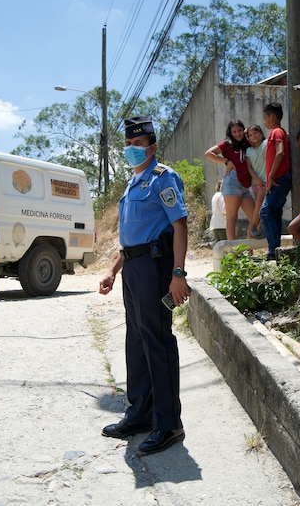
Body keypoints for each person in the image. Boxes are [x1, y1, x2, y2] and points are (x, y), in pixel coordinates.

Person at [99, 115, 189, 456]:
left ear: (152, 146)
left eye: (138, 145)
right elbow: (130, 240)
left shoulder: (163, 179)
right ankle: (140, 413)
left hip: (155, 268)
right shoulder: (133, 183)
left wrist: (178, 274)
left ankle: (168, 424)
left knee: (157, 342)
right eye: (129, 145)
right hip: (133, 269)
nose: (132, 150)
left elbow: (179, 226)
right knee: (136, 341)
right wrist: (111, 271)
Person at [204, 120, 256, 240]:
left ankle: (249, 250)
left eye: (240, 131)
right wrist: (226, 161)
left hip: (245, 185)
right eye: (234, 132)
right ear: (230, 133)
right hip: (232, 182)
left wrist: (247, 132)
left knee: (255, 217)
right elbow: (208, 153)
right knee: (232, 218)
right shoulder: (227, 144)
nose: (237, 134)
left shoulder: (246, 143)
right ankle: (232, 254)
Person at [259, 102, 292, 260]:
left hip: (278, 179)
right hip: (279, 178)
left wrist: (271, 177)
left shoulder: (276, 132)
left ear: (272, 116)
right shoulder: (279, 132)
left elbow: (280, 153)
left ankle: (273, 251)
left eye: (265, 117)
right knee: (274, 213)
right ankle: (277, 251)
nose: (264, 121)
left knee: (265, 212)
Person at [245, 125, 267, 238]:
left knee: (260, 206)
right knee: (258, 205)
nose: (253, 136)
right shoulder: (248, 151)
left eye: (255, 133)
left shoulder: (266, 144)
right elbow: (249, 167)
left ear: (261, 133)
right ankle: (253, 227)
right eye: (250, 135)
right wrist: (257, 179)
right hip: (257, 183)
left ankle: (253, 229)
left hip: (266, 181)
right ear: (248, 138)